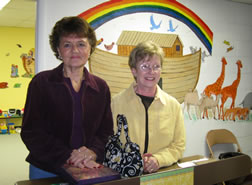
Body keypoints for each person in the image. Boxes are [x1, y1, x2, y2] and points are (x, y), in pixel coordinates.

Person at [21, 16, 114, 180]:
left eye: (81, 44)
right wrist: (68, 156)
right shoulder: (41, 83)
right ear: (58, 49)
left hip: (88, 167)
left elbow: (106, 132)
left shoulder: (101, 87)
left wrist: (93, 152)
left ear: (90, 48)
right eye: (67, 45)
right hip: (47, 168)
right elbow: (31, 132)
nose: (75, 50)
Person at [111, 41, 186, 174]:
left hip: (161, 175)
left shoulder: (173, 105)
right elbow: (108, 141)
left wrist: (158, 160)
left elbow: (178, 146)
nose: (151, 72)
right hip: (125, 177)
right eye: (145, 66)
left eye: (156, 66)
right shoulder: (115, 103)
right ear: (133, 70)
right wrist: (134, 161)